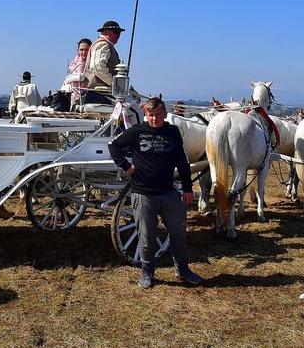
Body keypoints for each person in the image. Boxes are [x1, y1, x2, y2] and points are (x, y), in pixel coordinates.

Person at [108, 97, 202, 289]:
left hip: (168, 192)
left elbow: (182, 163)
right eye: (151, 115)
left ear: (165, 114)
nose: (154, 119)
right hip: (143, 193)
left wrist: (187, 188)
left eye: (158, 115)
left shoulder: (173, 132)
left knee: (178, 232)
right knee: (147, 236)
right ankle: (147, 272)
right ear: (145, 114)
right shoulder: (137, 131)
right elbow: (113, 145)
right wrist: (126, 166)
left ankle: (182, 269)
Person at [84, 20, 125, 94]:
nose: (119, 35)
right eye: (116, 32)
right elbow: (98, 66)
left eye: (119, 33)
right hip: (100, 92)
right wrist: (113, 83)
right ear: (106, 32)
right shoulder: (103, 44)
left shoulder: (106, 45)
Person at [65, 38, 92, 106]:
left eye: (86, 50)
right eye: (82, 50)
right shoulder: (81, 64)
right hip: (80, 97)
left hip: (74, 95)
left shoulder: (75, 62)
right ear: (78, 50)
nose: (84, 52)